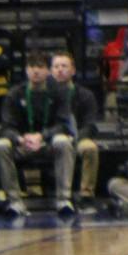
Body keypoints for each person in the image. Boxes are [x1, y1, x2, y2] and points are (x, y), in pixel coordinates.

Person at [0, 52, 77, 216]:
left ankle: (63, 200)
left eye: (40, 67)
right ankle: (15, 201)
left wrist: (42, 136)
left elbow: (63, 124)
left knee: (63, 141)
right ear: (26, 70)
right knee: (1, 145)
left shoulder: (59, 92)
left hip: (48, 143)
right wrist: (20, 138)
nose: (36, 71)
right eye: (32, 67)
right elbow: (6, 127)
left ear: (48, 71)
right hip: (22, 144)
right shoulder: (15, 94)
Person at [47, 52, 100, 211]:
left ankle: (86, 195)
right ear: (50, 71)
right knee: (61, 143)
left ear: (73, 70)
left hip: (78, 136)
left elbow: (90, 124)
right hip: (53, 138)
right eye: (56, 66)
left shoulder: (85, 95)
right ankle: (63, 197)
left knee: (90, 147)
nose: (60, 70)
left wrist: (76, 137)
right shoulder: (45, 94)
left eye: (64, 66)